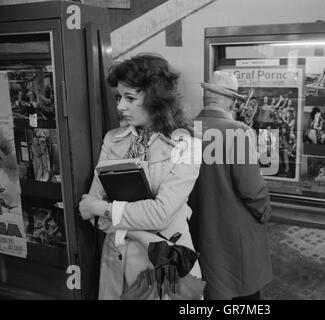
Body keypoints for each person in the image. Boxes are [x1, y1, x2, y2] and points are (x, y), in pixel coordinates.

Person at [78, 54, 203, 300]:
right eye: (118, 96)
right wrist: (142, 232)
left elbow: (160, 213)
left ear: (157, 99)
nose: (120, 106)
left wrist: (103, 209)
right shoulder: (112, 139)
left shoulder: (188, 146)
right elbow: (90, 211)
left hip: (164, 264)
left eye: (130, 98)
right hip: (118, 261)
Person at [189, 70, 272, 300]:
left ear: (206, 96)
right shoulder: (239, 132)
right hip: (235, 239)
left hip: (197, 231)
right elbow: (252, 189)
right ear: (232, 101)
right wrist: (265, 212)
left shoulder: (184, 131)